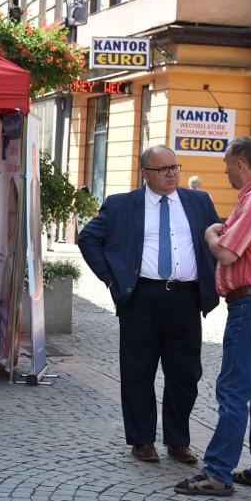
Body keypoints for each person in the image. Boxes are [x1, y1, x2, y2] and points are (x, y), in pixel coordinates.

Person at [78, 145, 220, 464]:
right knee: (138, 371)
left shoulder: (198, 201)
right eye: (163, 169)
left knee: (185, 373)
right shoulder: (122, 205)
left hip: (186, 298)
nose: (172, 174)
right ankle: (142, 439)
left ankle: (177, 440)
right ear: (146, 173)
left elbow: (217, 239)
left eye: (175, 167)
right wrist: (111, 279)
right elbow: (87, 238)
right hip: (141, 298)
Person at [174, 135, 251, 496]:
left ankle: (218, 472)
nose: (226, 174)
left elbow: (226, 253)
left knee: (232, 390)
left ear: (241, 164)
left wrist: (211, 232)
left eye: (227, 166)